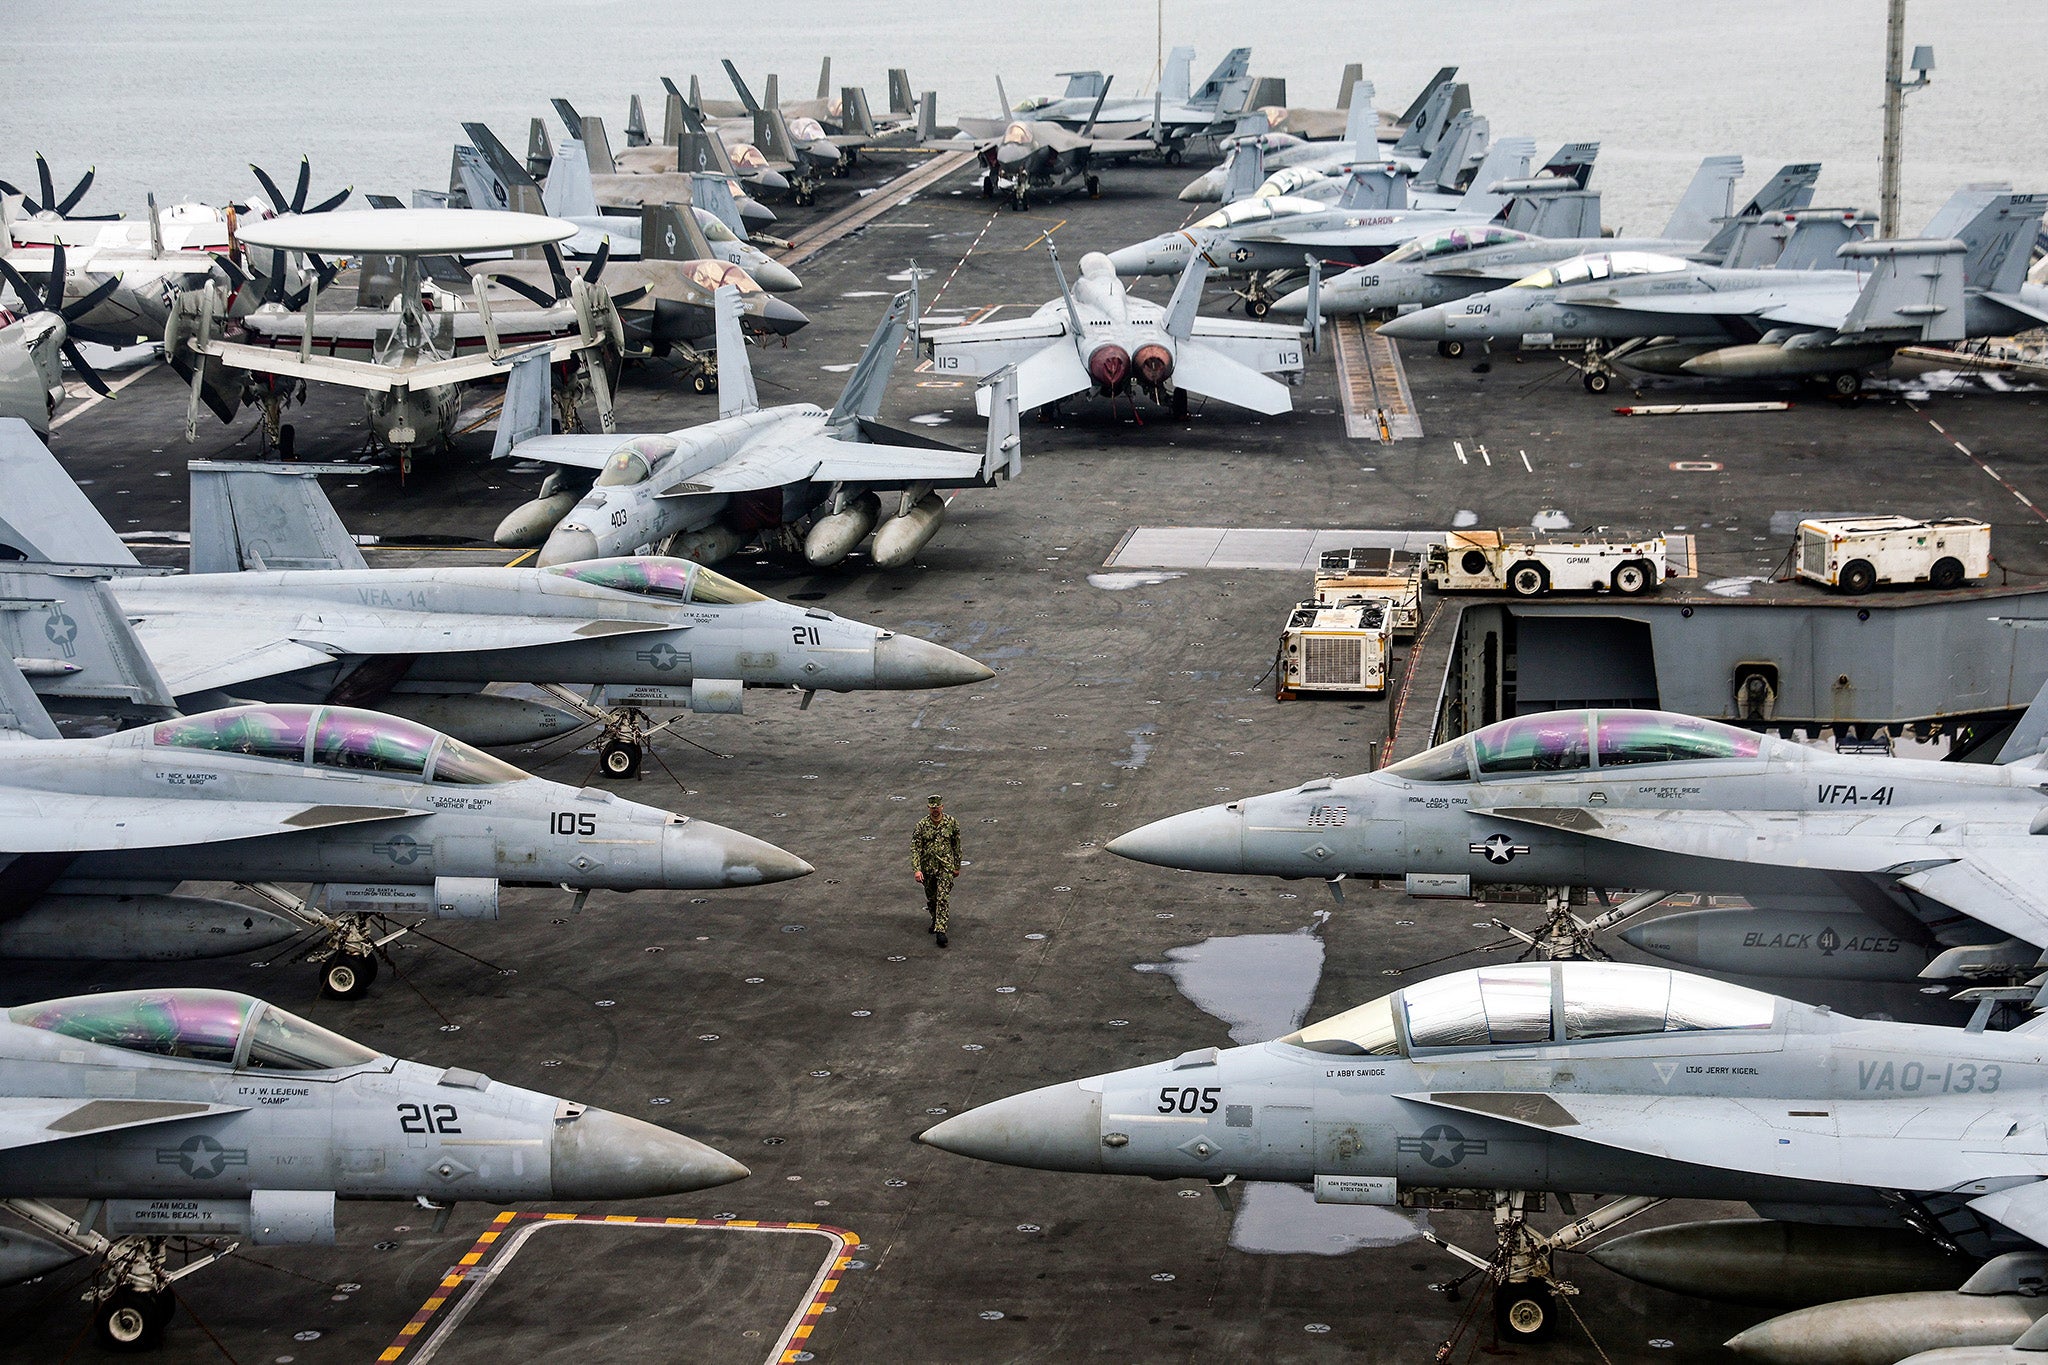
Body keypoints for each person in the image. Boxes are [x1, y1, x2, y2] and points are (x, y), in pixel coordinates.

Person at [911, 793, 962, 948]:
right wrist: (917, 869)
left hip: (945, 867)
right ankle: (935, 917)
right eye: (932, 808)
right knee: (932, 897)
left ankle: (941, 931)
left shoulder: (951, 823)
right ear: (928, 808)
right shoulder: (921, 825)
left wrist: (957, 866)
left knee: (942, 898)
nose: (935, 810)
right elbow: (915, 848)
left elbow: (956, 845)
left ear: (942, 807)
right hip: (928, 868)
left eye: (937, 807)